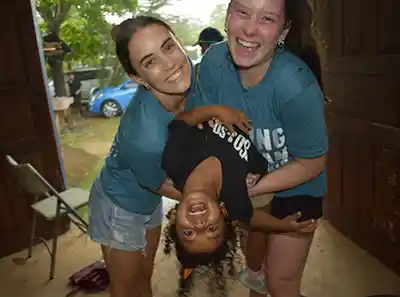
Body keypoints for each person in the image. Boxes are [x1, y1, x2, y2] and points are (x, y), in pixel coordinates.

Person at [87, 15, 249, 297]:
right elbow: (155, 183)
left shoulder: (194, 81)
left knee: (144, 274)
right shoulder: (147, 136)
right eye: (150, 62)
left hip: (147, 199)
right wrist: (211, 195)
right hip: (119, 203)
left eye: (169, 47)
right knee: (125, 287)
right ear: (137, 78)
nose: (170, 64)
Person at [187, 1, 329, 297]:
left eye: (267, 18)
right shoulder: (213, 64)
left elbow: (311, 163)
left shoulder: (295, 86)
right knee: (255, 267)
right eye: (242, 12)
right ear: (228, 15)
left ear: (283, 30)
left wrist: (243, 189)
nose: (250, 28)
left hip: (297, 185)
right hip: (246, 175)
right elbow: (204, 127)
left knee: (281, 283)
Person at [162, 115, 317, 297]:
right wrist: (285, 225)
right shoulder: (235, 194)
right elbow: (251, 217)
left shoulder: (173, 162)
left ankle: (255, 272)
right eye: (212, 229)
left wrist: (213, 110)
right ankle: (256, 272)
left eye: (189, 233)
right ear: (223, 212)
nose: (199, 224)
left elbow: (181, 121)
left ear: (173, 218)